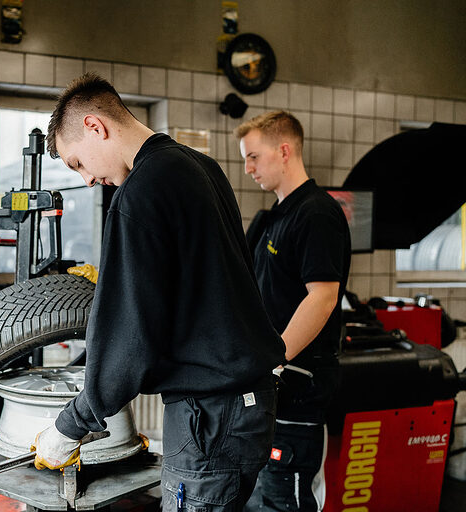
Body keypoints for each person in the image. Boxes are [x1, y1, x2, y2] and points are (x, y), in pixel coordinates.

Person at [31, 72, 286, 511]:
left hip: (207, 419)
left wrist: (70, 426)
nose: (88, 179)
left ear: (95, 126)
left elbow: (131, 331)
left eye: (77, 163)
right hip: (248, 408)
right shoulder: (199, 166)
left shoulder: (139, 193)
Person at [234, 111, 351, 512]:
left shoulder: (316, 214)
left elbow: (322, 296)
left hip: (299, 390)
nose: (247, 168)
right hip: (268, 390)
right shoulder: (271, 218)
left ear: (284, 150)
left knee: (288, 501)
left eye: (253, 156)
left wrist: (274, 360)